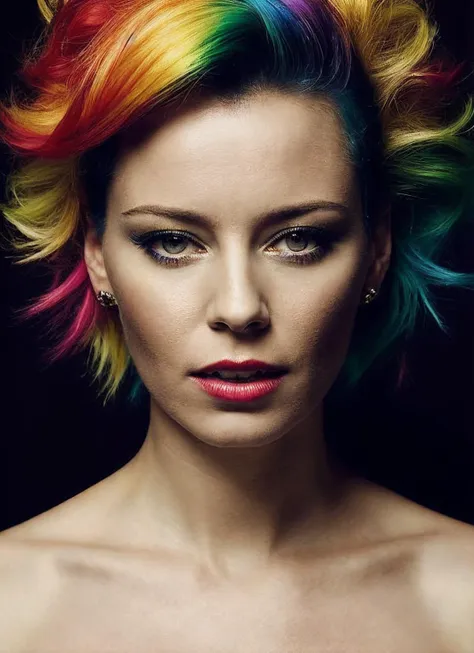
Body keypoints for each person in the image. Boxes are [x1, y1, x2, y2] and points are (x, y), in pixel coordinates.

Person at [1, 0, 474, 649]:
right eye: (172, 241)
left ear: (378, 247)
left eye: (298, 239)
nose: (239, 306)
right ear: (97, 252)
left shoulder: (459, 600)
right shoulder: (15, 604)